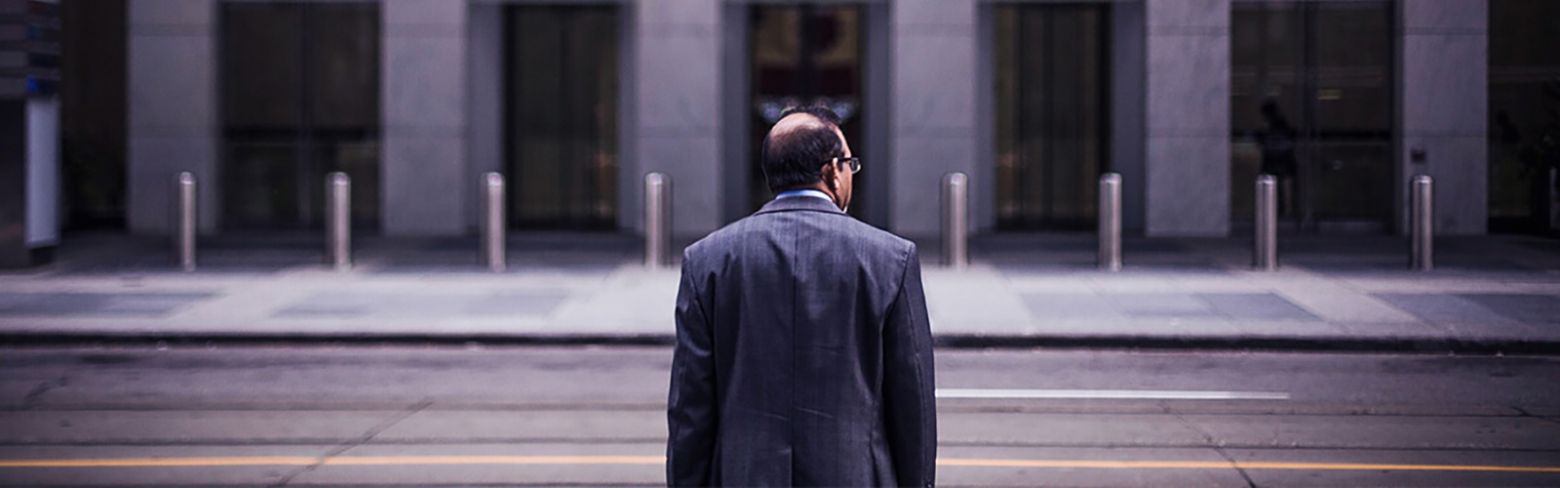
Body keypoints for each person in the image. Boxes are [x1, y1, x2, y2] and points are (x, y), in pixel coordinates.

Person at [667, 106, 937, 487]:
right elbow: (913, 408)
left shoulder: (708, 260)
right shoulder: (890, 259)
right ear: (831, 170)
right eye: (850, 164)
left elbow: (690, 410)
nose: (851, 175)